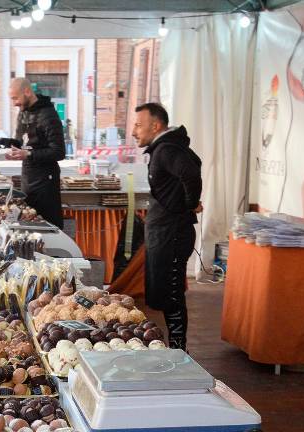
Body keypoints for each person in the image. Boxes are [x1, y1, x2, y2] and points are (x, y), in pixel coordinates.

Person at [132, 103, 202, 351]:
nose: (134, 131)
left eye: (139, 125)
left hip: (173, 233)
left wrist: (189, 204)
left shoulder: (167, 150)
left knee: (172, 295)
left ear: (156, 125)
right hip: (166, 232)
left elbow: (191, 174)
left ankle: (179, 350)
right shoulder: (166, 148)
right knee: (165, 293)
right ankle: (174, 348)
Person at [6, 78, 65, 228]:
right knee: (28, 223)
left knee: (46, 226)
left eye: (15, 98)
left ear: (27, 92)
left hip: (46, 182)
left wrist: (29, 155)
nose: (14, 103)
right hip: (28, 179)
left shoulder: (48, 115)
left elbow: (59, 152)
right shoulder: (22, 113)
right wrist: (12, 145)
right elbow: (23, 142)